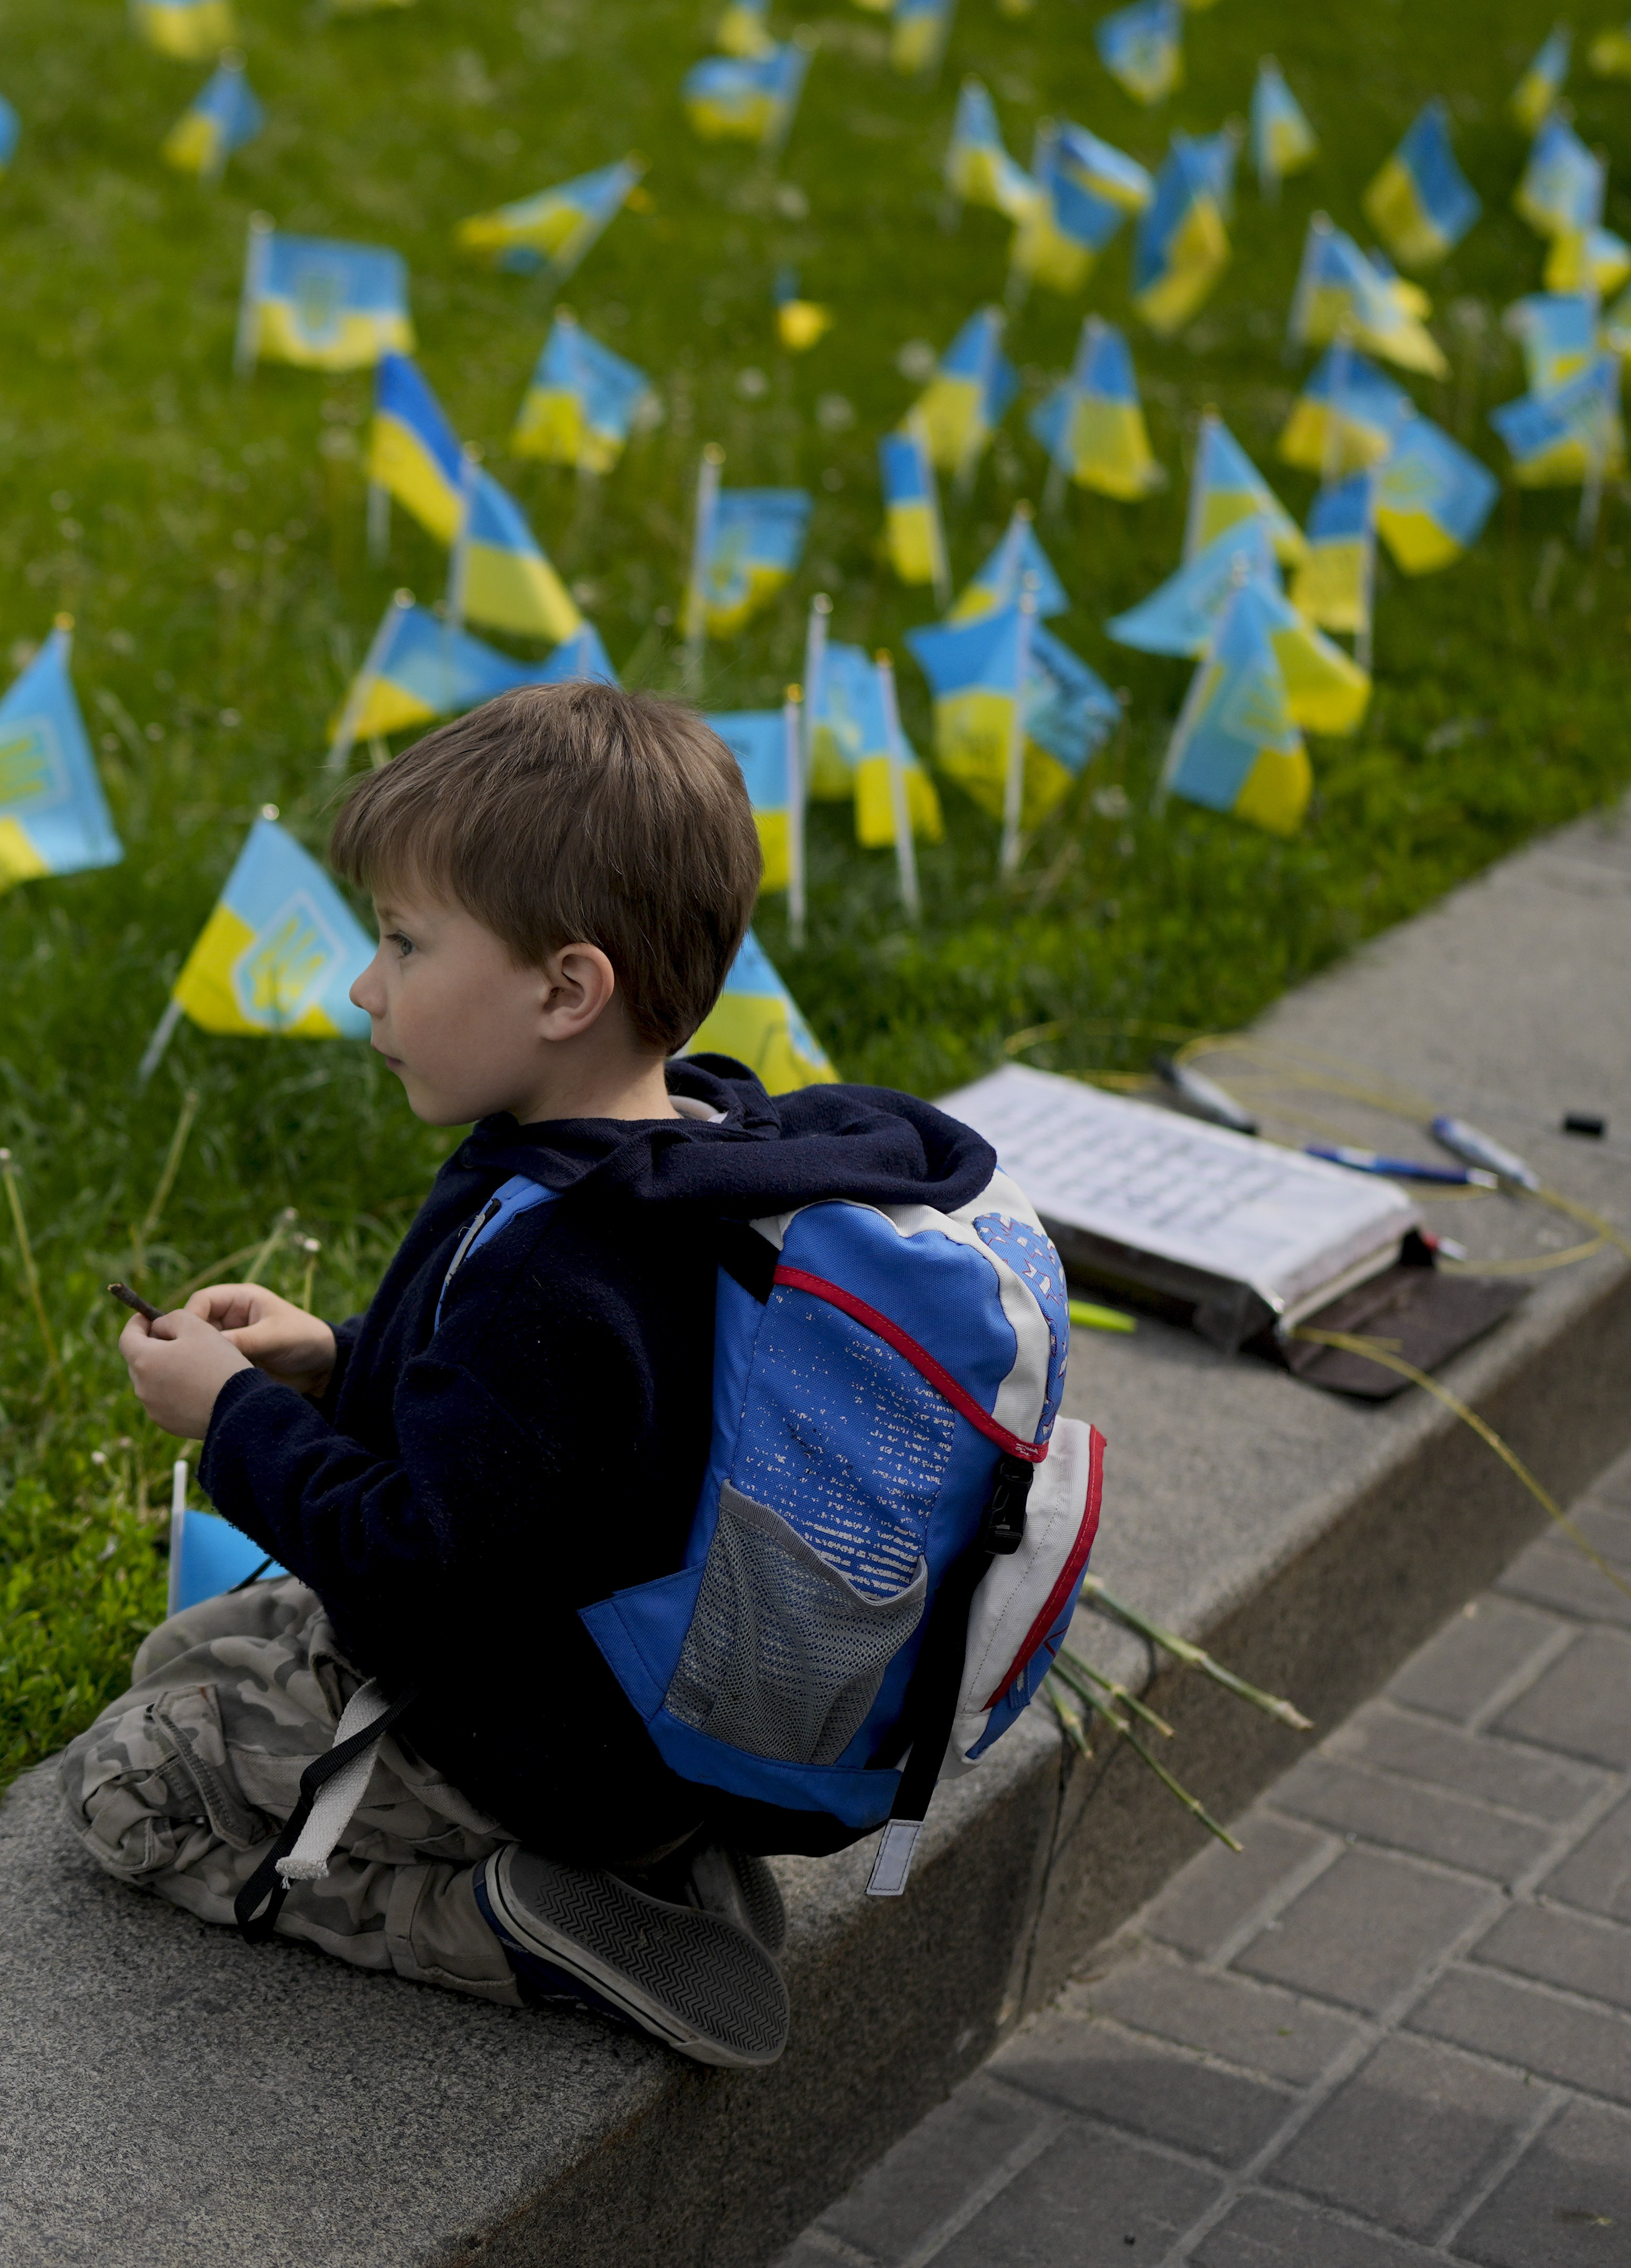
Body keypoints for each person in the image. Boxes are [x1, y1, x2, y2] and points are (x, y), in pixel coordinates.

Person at [71, 681, 1001, 2068]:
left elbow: (424, 1568)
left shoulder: (566, 1268)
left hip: (541, 1745)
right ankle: (657, 1862)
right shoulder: (690, 1154)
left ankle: (515, 1917)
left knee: (128, 1785)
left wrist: (235, 1422)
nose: (364, 985)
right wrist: (335, 1366)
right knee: (185, 1656)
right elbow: (552, 1459)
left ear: (568, 988)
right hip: (621, 1698)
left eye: (403, 943)